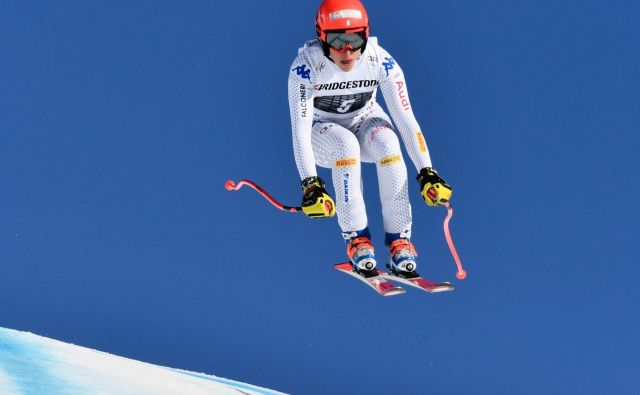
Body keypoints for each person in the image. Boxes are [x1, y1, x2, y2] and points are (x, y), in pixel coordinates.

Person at [288, 0, 452, 276]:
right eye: (337, 39)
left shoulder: (380, 60)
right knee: (345, 145)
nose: (347, 49)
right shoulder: (305, 68)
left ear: (366, 34)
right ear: (321, 37)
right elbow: (300, 130)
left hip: (365, 120)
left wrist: (427, 171)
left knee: (388, 143)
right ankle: (357, 239)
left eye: (354, 38)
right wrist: (310, 183)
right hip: (324, 132)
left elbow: (405, 118)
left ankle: (400, 240)